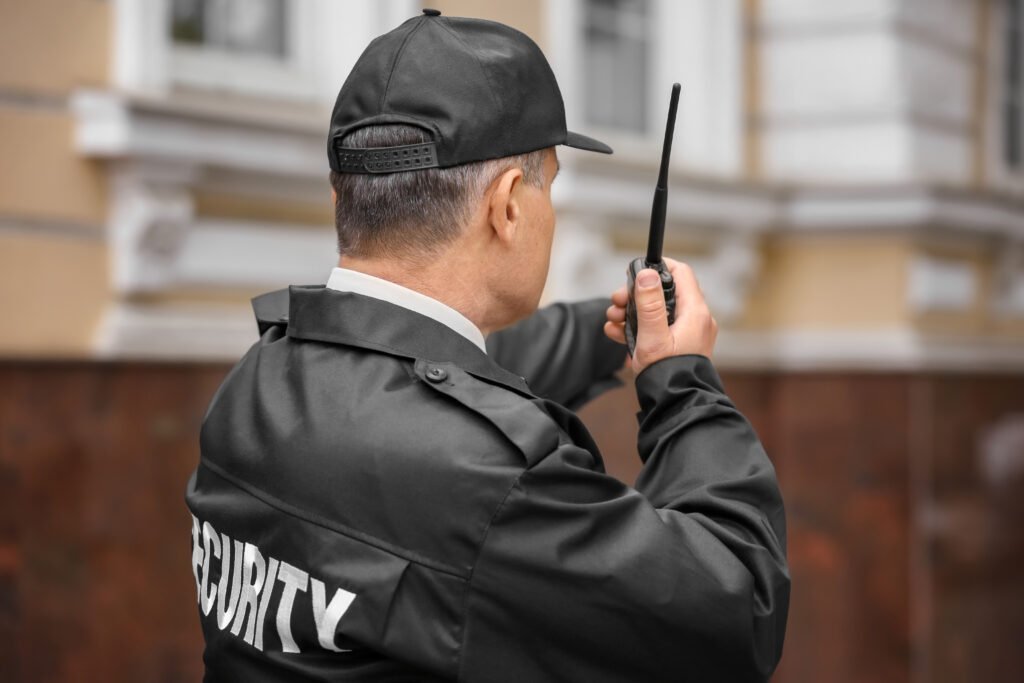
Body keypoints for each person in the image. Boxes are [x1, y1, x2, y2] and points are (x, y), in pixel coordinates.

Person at [185, 9, 789, 682]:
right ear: (507, 205)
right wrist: (683, 384)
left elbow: (446, 376)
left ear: (342, 194)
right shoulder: (490, 485)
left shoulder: (257, 382)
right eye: (548, 184)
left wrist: (614, 329)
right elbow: (738, 606)